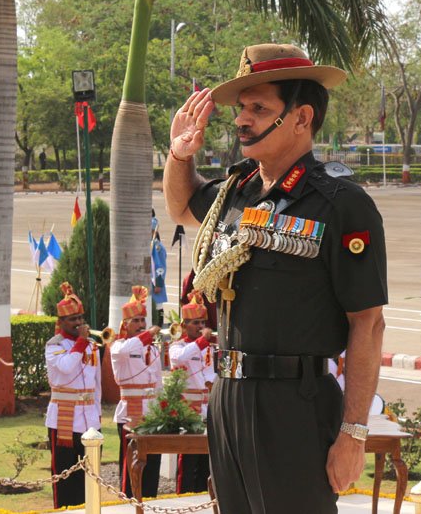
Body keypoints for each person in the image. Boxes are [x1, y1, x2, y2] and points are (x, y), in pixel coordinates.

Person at [162, 43, 387, 514]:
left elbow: (367, 325)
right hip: (228, 396)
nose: (243, 119)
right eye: (242, 108)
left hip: (295, 405)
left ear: (302, 118)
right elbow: (183, 207)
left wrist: (353, 435)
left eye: (260, 108)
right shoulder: (237, 192)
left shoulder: (340, 204)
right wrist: (179, 156)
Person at [45, 282, 102, 508]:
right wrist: (80, 342)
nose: (79, 323)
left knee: (90, 477)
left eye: (80, 318)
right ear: (61, 322)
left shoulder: (91, 345)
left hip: (89, 420)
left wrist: (97, 417)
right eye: (73, 319)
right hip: (64, 420)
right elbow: (67, 366)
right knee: (65, 478)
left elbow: (96, 386)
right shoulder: (54, 345)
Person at [110, 286, 163, 499]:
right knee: (131, 463)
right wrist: (146, 336)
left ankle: (150, 503)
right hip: (130, 413)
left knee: (152, 463)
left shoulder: (153, 349)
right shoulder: (119, 347)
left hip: (153, 412)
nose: (142, 325)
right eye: (136, 321)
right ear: (125, 324)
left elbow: (157, 382)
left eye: (143, 320)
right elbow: (124, 350)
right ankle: (130, 504)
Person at [169, 291, 216, 493]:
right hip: (188, 411)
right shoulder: (177, 347)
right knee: (187, 462)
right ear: (184, 326)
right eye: (195, 323)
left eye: (202, 322)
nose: (200, 327)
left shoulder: (209, 348)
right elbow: (180, 358)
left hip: (208, 409)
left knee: (206, 462)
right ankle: (183, 499)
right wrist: (202, 342)